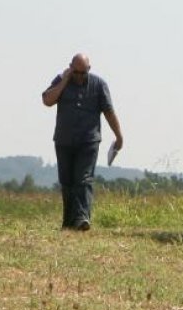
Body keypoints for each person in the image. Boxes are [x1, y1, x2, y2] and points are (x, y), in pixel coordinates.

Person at [42, 53, 123, 230]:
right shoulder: (61, 80)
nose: (79, 76)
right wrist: (64, 80)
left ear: (89, 69)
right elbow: (48, 100)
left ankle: (82, 218)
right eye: (76, 72)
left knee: (83, 179)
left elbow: (109, 111)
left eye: (82, 73)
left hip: (88, 140)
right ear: (71, 67)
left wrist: (119, 136)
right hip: (64, 140)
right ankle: (69, 221)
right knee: (67, 181)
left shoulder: (99, 85)